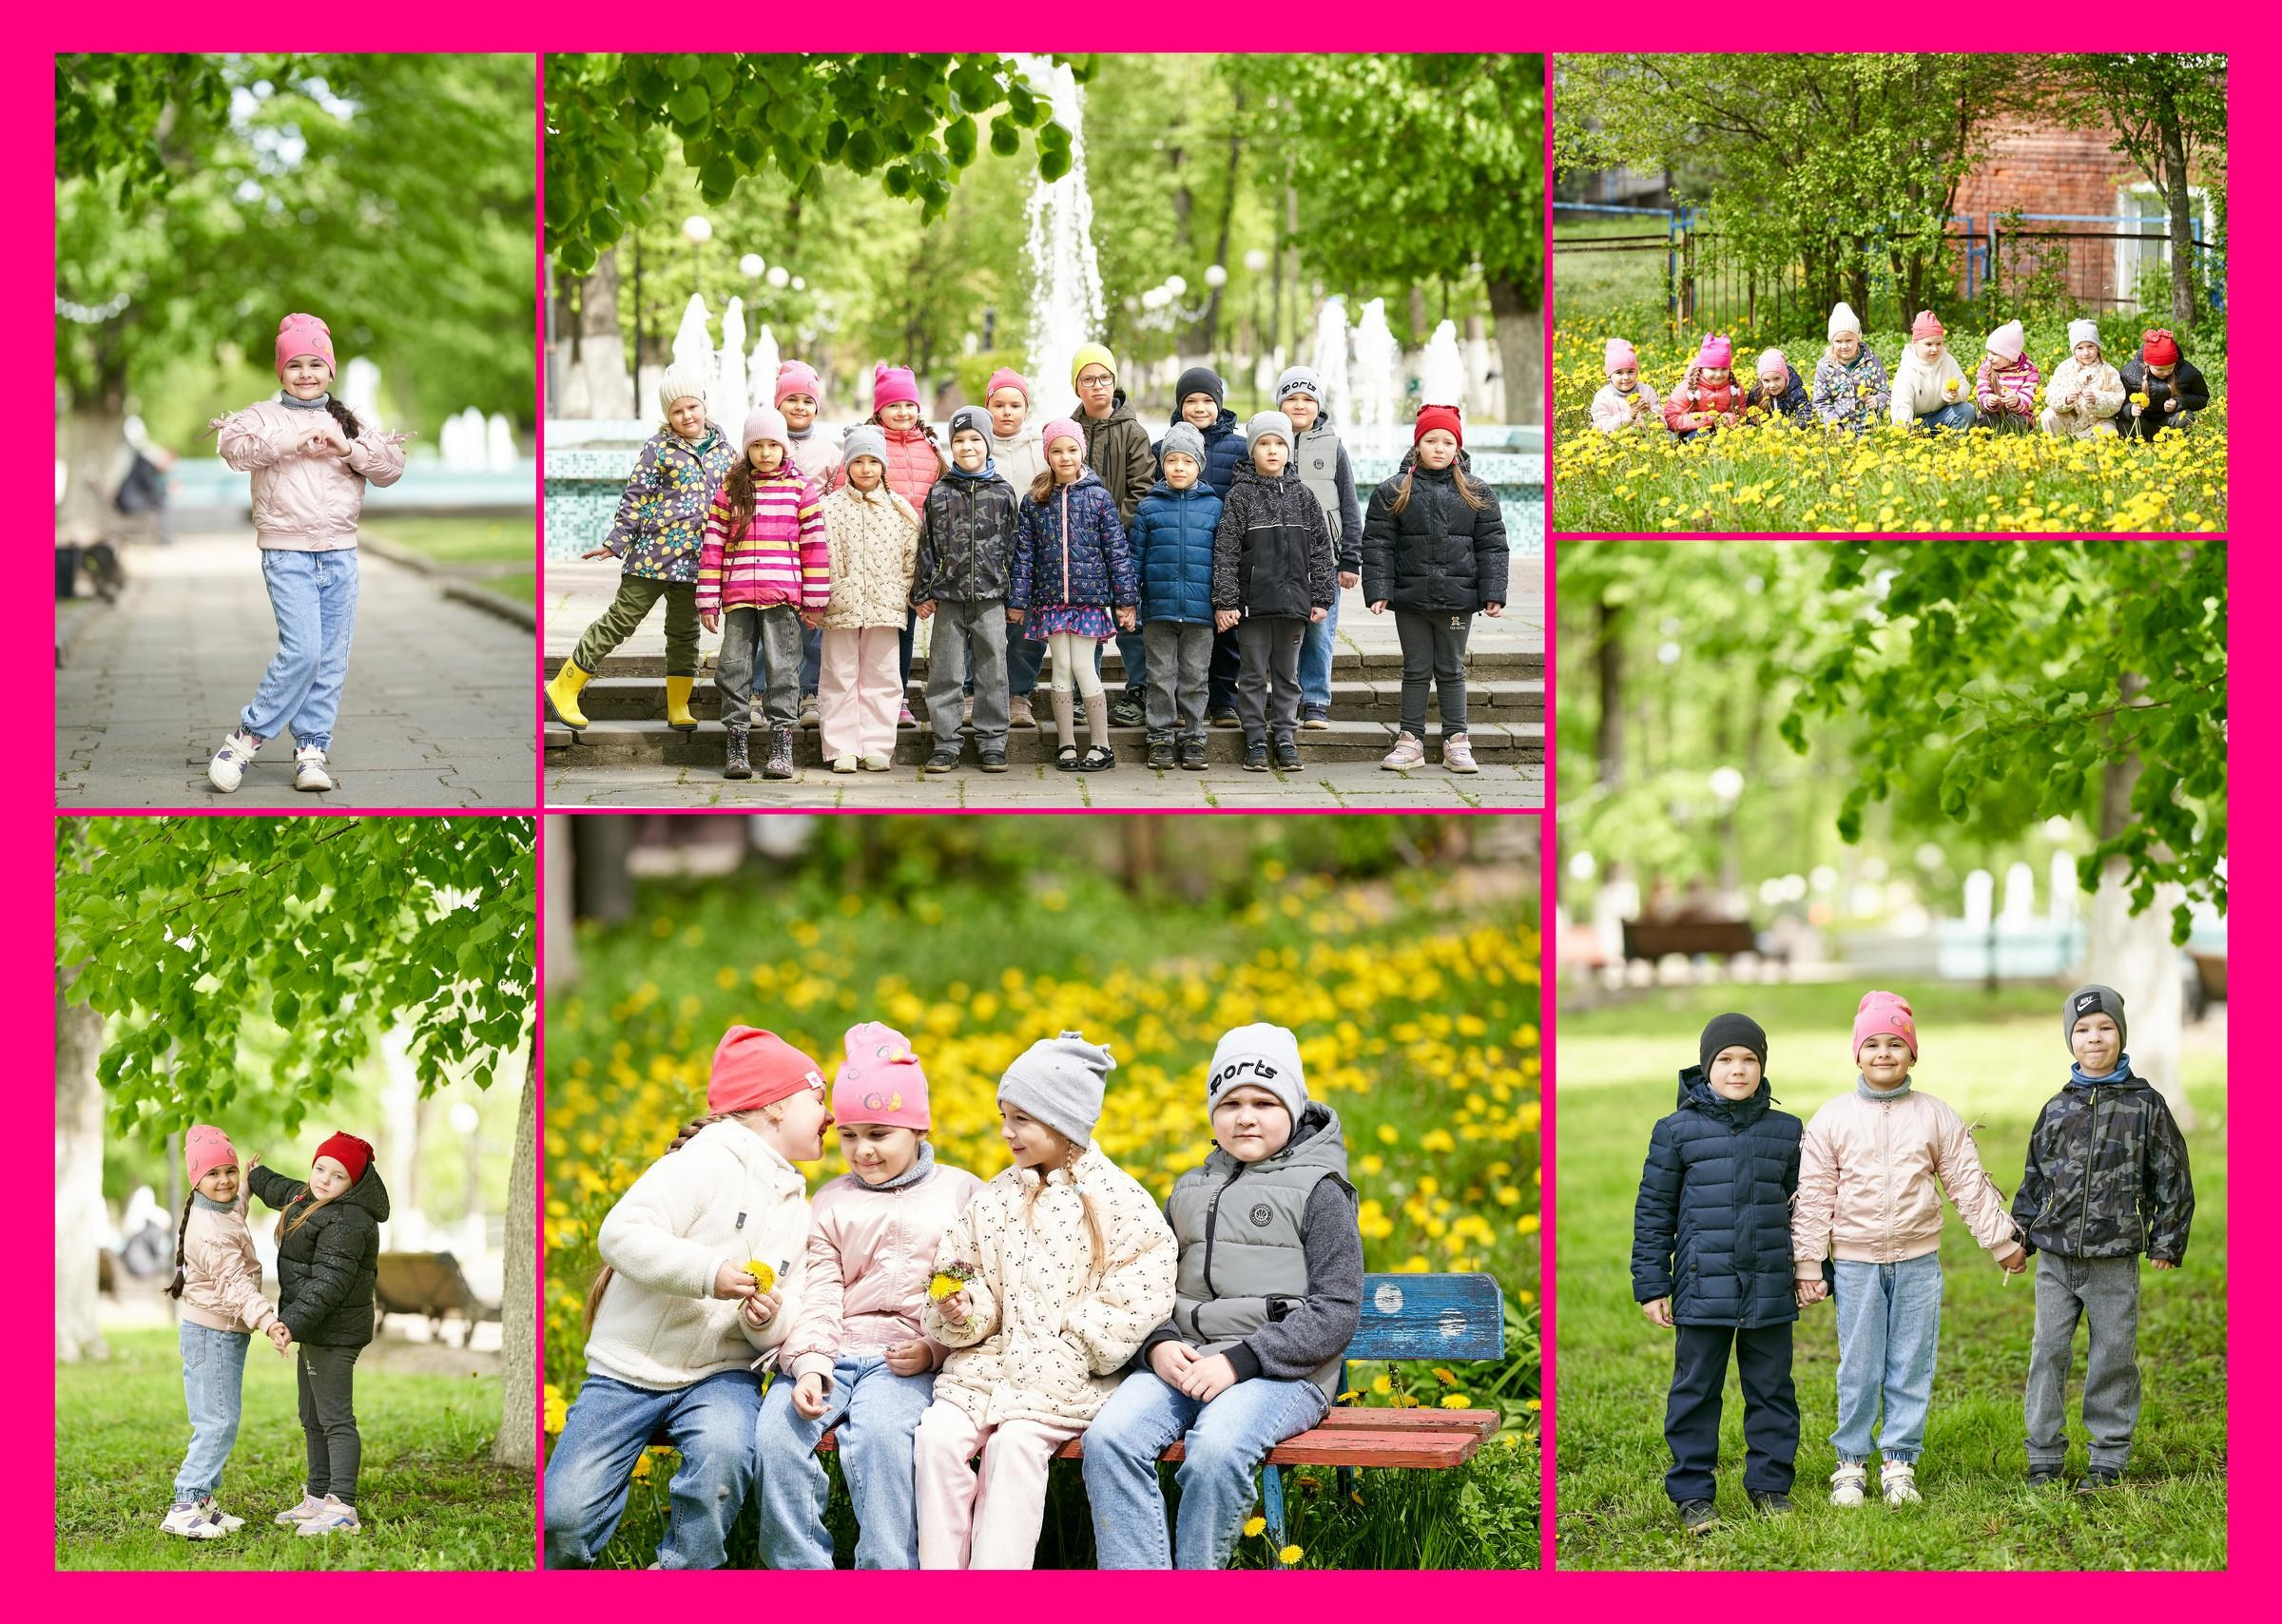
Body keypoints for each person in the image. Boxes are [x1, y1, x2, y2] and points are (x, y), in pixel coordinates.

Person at [543, 1028, 829, 1569]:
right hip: (627, 1372)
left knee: (723, 1457)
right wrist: (709, 1273)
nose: (829, 1114)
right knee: (562, 1516)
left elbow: (790, 1304)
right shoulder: (705, 1163)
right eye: (818, 1099)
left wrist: (766, 1320)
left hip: (722, 1376)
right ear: (774, 1106)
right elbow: (621, 1234)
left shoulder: (799, 1207)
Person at [1084, 1025, 1362, 1569]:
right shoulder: (1190, 1189)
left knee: (1215, 1449)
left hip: (1282, 1374)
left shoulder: (1321, 1190)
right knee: (1109, 1439)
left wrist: (1240, 1361)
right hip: (1187, 1363)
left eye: (1264, 1102)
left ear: (1294, 1109)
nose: (1245, 1117)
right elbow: (1149, 1286)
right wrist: (1158, 1345)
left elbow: (1337, 1311)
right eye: (1230, 1103)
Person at [913, 1034, 1176, 1568]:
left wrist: (1071, 1352)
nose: (1006, 1132)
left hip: (1067, 1379)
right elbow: (960, 1267)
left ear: (1064, 1122)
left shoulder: (1119, 1201)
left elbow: (1140, 1291)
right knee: (936, 1438)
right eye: (1004, 1117)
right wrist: (962, 1309)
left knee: (1013, 1448)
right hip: (986, 1370)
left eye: (1022, 1120)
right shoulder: (994, 1199)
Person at [757, 1025, 984, 1568]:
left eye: (879, 1133)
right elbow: (819, 1291)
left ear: (919, 1128)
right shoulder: (831, 1201)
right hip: (833, 1349)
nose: (862, 1150)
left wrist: (935, 1350)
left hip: (906, 1359)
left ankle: (887, 1574)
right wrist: (809, 1365)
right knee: (776, 1435)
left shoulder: (962, 1194)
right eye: (849, 1135)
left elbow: (974, 1289)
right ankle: (800, 1572)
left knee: (883, 1438)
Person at [1792, 992, 2025, 1509]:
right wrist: (1808, 1262)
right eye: (1872, 1044)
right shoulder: (1832, 1119)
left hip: (1918, 1262)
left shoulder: (1935, 1116)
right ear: (1857, 1053)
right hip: (1855, 1263)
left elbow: (1967, 1183)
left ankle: (1899, 1460)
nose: (1883, 1053)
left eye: (1895, 1044)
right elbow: (1813, 1196)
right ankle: (1851, 1462)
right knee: (1859, 1366)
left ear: (1912, 1054)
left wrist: (2001, 1240)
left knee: (1911, 1363)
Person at [205, 313, 407, 794]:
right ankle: (246, 738)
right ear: (281, 370)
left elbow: (391, 468)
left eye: (315, 363)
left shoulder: (350, 421)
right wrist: (289, 441)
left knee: (331, 657)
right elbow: (234, 450)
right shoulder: (262, 417)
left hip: (340, 554)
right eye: (294, 364)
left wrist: (347, 448)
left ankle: (311, 750)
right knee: (303, 651)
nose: (305, 373)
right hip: (287, 553)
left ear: (330, 369)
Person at [2013, 985, 2195, 1491]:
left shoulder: (2146, 1105)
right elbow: (2035, 1180)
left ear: (2121, 1034)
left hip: (2114, 1258)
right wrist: (2020, 1238)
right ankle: (2043, 1454)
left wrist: (2166, 1239)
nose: (2095, 1038)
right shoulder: (2056, 1108)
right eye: (2083, 1030)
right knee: (2048, 1351)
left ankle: (2108, 1456)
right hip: (2056, 1259)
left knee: (2113, 1354)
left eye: (2105, 1027)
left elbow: (2172, 1175)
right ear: (2070, 1040)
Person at [1632, 1015, 1802, 1535]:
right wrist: (1652, 1284)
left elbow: (1807, 1210)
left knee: (1772, 1389)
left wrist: (1815, 1269)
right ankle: (1692, 1492)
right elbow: (1654, 1213)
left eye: (1749, 1059)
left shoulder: (1788, 1131)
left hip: (1769, 1285)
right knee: (1696, 1390)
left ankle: (1770, 1485)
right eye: (1725, 1059)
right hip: (1701, 1286)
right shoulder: (1675, 1131)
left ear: (1763, 1066)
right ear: (1706, 1066)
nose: (1738, 1069)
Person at [546, 366, 735, 741]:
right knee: (621, 620)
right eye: (677, 411)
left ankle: (678, 704)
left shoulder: (726, 452)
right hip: (652, 556)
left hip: (696, 562)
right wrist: (616, 541)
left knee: (684, 632)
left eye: (692, 407)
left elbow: (732, 502)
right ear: (667, 415)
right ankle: (564, 686)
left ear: (704, 405)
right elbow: (636, 496)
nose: (687, 416)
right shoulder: (658, 448)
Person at [246, 1131, 391, 1537]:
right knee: (311, 1417)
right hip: (315, 1327)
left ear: (353, 1183)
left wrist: (290, 1323)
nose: (325, 1179)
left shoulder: (348, 1221)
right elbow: (281, 1189)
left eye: (338, 1175)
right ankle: (317, 1497)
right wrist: (255, 1176)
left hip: (335, 1331)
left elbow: (330, 1283)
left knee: (335, 1419)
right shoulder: (310, 1198)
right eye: (320, 1168)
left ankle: (343, 1507)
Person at [1361, 406, 1508, 775]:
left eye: (1447, 442)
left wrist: (1493, 592)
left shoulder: (1476, 492)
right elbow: (1377, 543)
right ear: (1417, 445)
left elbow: (1492, 545)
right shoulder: (1393, 491)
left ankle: (1456, 740)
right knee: (1415, 669)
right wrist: (1379, 589)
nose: (1439, 448)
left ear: (1458, 447)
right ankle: (1410, 740)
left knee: (1451, 669)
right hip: (1411, 600)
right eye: (1431, 440)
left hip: (1457, 602)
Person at [160, 1126, 287, 1540]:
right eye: (213, 1174)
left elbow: (237, 1210)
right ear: (196, 1179)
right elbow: (235, 1284)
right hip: (212, 1335)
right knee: (217, 1422)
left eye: (229, 1170)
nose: (225, 1181)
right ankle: (185, 1504)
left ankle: (202, 1502)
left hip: (218, 1333)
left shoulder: (220, 1208)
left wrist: (246, 1184)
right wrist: (267, 1320)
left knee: (220, 1418)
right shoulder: (211, 1232)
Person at [698, 405, 828, 781]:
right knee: (733, 667)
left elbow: (814, 546)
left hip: (782, 596)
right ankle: (736, 741)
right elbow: (713, 545)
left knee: (783, 669)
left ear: (784, 447)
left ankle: (781, 743)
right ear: (747, 449)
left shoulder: (799, 488)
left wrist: (815, 601)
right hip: (738, 596)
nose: (765, 452)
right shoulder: (731, 489)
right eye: (757, 445)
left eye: (773, 445)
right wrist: (708, 599)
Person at [1008, 418, 1139, 772]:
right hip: (1050, 600)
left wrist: (1125, 600)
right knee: (1061, 668)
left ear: (1081, 451)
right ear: (1047, 455)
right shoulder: (1035, 499)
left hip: (1088, 601)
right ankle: (1066, 745)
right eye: (1056, 451)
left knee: (1083, 666)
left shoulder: (1098, 497)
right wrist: (1018, 602)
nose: (1065, 457)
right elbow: (1025, 554)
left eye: (1071, 450)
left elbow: (1117, 552)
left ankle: (1101, 746)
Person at [1211, 411, 1336, 772]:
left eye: (1279, 443)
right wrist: (1226, 602)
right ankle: (1254, 738)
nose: (1271, 450)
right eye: (1264, 443)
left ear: (1288, 450)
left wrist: (1321, 596)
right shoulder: (1240, 496)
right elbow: (1226, 552)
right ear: (1252, 450)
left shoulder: (1304, 496)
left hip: (1293, 607)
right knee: (1251, 675)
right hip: (1252, 607)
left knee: (1287, 676)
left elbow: (1321, 550)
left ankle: (1284, 736)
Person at [912, 406, 1019, 774]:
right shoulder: (940, 492)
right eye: (959, 440)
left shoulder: (1003, 492)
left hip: (991, 599)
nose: (967, 446)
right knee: (945, 671)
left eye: (975, 439)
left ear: (988, 444)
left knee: (993, 671)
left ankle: (993, 741)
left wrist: (1016, 597)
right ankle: (945, 742)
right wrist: (923, 591)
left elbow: (1015, 546)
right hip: (949, 598)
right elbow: (926, 545)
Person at [818, 426, 921, 774]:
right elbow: (820, 555)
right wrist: (826, 592)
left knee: (883, 675)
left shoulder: (899, 509)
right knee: (839, 674)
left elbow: (911, 557)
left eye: (873, 461)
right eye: (858, 461)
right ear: (847, 465)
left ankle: (876, 744)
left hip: (885, 604)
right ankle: (841, 746)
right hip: (840, 603)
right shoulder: (829, 509)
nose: (866, 469)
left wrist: (903, 590)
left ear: (883, 466)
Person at [1070, 343, 1157, 728]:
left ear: (1114, 382)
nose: (1097, 386)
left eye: (1104, 378)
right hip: (1079, 548)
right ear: (1077, 386)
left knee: (1129, 619)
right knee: (1083, 620)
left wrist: (1111, 529)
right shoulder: (1069, 431)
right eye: (1088, 379)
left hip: (1122, 543)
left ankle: (1139, 690)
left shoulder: (1133, 432)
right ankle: (1083, 690)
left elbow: (1142, 488)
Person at [1129, 422, 1221, 770]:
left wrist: (1223, 603)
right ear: (1162, 464)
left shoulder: (1214, 507)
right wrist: (1129, 601)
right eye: (1172, 460)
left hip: (1200, 611)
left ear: (1199, 465)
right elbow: (1134, 559)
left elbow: (1225, 560)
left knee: (1196, 677)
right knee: (1160, 676)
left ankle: (1194, 736)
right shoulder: (1149, 507)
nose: (1179, 467)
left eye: (1187, 461)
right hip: (1159, 610)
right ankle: (1160, 738)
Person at [1276, 367, 1363, 730]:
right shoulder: (1268, 442)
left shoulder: (1333, 446)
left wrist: (1351, 558)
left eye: (1307, 399)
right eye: (1291, 398)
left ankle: (1315, 700)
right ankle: (1285, 698)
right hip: (1278, 557)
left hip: (1323, 559)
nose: (1299, 405)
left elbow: (1350, 505)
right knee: (1282, 630)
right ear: (1279, 404)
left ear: (1319, 405)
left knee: (1318, 630)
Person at [1888, 311, 1976, 432]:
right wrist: (1907, 430)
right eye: (1928, 344)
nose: (1934, 349)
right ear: (1915, 343)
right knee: (1905, 419)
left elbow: (1963, 384)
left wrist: (1955, 395)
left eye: (1939, 344)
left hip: (1942, 415)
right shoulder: (1907, 369)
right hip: (1916, 421)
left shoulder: (1948, 361)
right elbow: (1902, 404)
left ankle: (1954, 440)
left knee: (1967, 410)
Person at [2040, 319, 2127, 439]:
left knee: (2108, 432)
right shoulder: (2064, 368)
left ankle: (2095, 446)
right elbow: (2052, 394)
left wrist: (2096, 399)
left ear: (2098, 348)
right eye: (2080, 348)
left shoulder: (2108, 371)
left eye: (2090, 346)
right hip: (2069, 420)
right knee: (2048, 416)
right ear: (2073, 350)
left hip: (2096, 421)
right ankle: (2056, 443)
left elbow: (2117, 399)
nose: (2086, 352)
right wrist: (2066, 399)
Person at [2118, 329, 2210, 441]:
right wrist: (2130, 409)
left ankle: (2173, 440)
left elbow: (2202, 398)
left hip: (2169, 423)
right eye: (2160, 369)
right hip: (2141, 424)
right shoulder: (2129, 373)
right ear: (2147, 363)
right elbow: (2117, 402)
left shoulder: (2187, 372)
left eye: (2170, 367)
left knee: (2186, 418)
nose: (2166, 372)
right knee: (2122, 426)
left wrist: (2179, 403)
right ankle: (2142, 440)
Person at [1810, 302, 1889, 432]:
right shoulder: (1825, 366)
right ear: (1832, 341)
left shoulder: (1872, 362)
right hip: (1840, 431)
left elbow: (1886, 392)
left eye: (1849, 341)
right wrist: (1834, 423)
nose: (1844, 346)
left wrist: (1877, 400)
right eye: (1838, 341)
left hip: (1870, 429)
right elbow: (1820, 401)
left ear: (1858, 339)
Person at [1661, 335, 1745, 440]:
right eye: (1713, 369)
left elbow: (1742, 413)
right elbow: (1671, 418)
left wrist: (1727, 419)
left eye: (1724, 369)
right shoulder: (1687, 388)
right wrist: (1705, 419)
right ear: (1702, 368)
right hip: (1692, 432)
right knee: (1702, 436)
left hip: (1725, 429)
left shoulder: (1735, 388)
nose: (1718, 374)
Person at [1975, 319, 2040, 435]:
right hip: (1993, 413)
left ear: (2010, 356)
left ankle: (2015, 437)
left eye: (1994, 353)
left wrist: (2016, 401)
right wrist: (1988, 401)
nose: (1989, 357)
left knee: (2016, 421)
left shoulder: (2028, 371)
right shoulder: (1986, 368)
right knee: (1985, 420)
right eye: (1988, 352)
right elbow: (1982, 395)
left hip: (2019, 414)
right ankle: (1991, 438)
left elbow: (2026, 399)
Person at [1593, 337, 1663, 433]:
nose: (1626, 377)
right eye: (1619, 373)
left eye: (1630, 371)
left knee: (1670, 436)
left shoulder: (1647, 391)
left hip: (1648, 436)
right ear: (1609, 376)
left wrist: (1649, 412)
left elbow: (1663, 423)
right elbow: (1602, 429)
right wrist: (1629, 415)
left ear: (1636, 373)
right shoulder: (1603, 397)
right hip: (1617, 439)